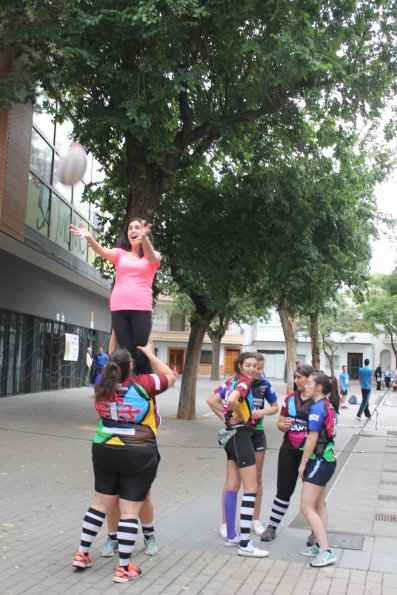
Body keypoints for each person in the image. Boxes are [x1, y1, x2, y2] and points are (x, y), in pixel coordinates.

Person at [72, 344, 175, 583]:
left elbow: (112, 365)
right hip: (137, 451)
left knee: (99, 504)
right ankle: (123, 568)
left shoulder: (101, 383)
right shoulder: (143, 384)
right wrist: (150, 354)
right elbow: (169, 376)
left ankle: (82, 553)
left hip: (103, 449)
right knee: (129, 511)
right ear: (131, 367)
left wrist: (115, 335)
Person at [70, 218, 160, 374]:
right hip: (119, 308)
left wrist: (144, 239)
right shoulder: (120, 254)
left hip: (141, 308)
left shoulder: (152, 256)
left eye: (137, 228)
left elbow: (151, 256)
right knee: (124, 353)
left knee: (141, 352)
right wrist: (90, 238)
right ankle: (123, 392)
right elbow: (103, 251)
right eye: (130, 228)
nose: (133, 230)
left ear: (145, 231)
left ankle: (146, 394)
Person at [208, 353, 278, 540]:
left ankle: (238, 530)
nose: (254, 370)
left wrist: (257, 413)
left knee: (247, 481)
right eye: (250, 365)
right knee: (247, 485)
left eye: (257, 366)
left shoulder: (262, 384)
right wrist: (239, 417)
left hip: (248, 434)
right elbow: (221, 400)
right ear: (240, 366)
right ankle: (240, 537)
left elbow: (275, 406)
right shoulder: (240, 383)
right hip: (240, 434)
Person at [261, 364, 316, 544]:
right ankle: (272, 526)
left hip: (311, 454)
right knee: (283, 490)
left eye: (300, 377)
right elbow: (280, 422)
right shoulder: (290, 399)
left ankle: (316, 531)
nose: (296, 380)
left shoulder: (319, 401)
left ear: (309, 379)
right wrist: (281, 426)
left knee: (314, 495)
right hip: (288, 451)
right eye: (295, 377)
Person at [298, 372, 338, 568]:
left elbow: (313, 438)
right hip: (326, 460)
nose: (306, 385)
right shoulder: (328, 405)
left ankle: (326, 552)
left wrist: (303, 463)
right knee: (319, 505)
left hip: (320, 461)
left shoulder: (317, 408)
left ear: (319, 387)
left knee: (306, 507)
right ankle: (320, 545)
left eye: (310, 383)